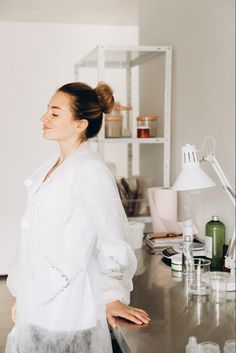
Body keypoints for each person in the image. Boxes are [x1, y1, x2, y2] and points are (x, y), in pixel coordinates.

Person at [5, 82, 150, 353]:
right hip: (39, 305)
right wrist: (26, 295)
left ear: (79, 124)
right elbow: (35, 239)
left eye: (55, 113)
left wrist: (113, 297)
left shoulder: (90, 170)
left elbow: (112, 240)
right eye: (47, 111)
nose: (44, 118)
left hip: (69, 309)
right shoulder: (50, 168)